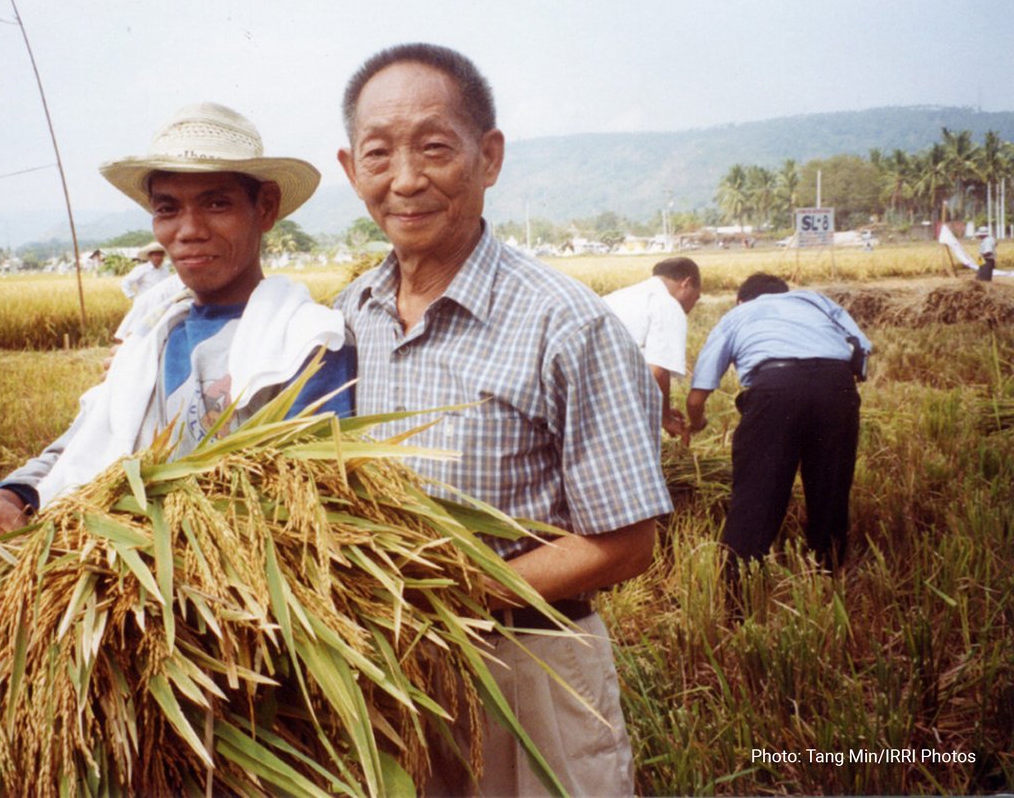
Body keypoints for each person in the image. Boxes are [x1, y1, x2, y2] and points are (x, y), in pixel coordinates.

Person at [335, 43, 671, 797]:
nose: (406, 179)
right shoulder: (350, 317)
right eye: (379, 154)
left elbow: (626, 542)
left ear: (488, 157)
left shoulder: (565, 323)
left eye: (434, 147)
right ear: (351, 169)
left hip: (532, 664)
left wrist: (456, 592)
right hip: (391, 669)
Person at [0, 102, 355, 544]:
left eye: (217, 203)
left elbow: (308, 506)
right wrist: (11, 493)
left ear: (264, 208)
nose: (188, 230)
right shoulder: (152, 338)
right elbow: (87, 439)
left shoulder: (305, 344)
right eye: (168, 209)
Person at [685, 272, 871, 572]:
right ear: (785, 292)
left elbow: (696, 397)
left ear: (741, 299)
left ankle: (738, 593)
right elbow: (861, 352)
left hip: (775, 388)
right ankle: (829, 574)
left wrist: (697, 422)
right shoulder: (815, 301)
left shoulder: (738, 314)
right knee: (831, 489)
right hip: (837, 387)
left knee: (756, 494)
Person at [603, 256, 702, 440]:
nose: (691, 308)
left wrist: (658, 409)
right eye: (696, 298)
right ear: (686, 283)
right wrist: (664, 418)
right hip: (612, 398)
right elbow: (657, 370)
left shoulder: (618, 296)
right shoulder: (667, 304)